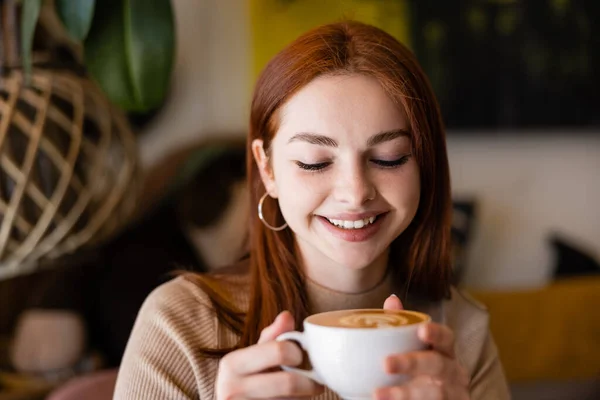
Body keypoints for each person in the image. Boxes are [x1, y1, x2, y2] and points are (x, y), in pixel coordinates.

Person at [114, 21, 510, 400]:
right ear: (267, 169)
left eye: (389, 158)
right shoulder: (180, 325)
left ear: (424, 164)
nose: (355, 193)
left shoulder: (461, 332)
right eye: (314, 162)